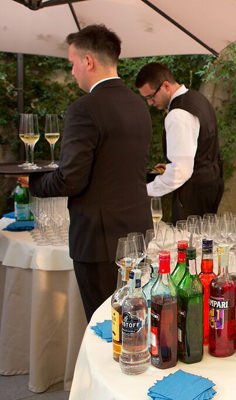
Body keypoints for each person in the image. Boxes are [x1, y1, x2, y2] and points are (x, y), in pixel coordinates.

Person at [26, 25, 153, 321]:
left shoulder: (84, 109)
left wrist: (34, 182)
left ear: (88, 61)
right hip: (138, 232)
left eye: (72, 63)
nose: (72, 72)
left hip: (99, 240)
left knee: (105, 324)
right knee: (134, 319)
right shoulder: (138, 105)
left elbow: (71, 179)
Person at [135, 63, 223, 221]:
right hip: (210, 186)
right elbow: (200, 150)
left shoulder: (178, 114)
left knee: (187, 237)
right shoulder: (198, 99)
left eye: (151, 96)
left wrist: (145, 190)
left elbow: (180, 172)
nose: (150, 103)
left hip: (193, 194)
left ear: (166, 86)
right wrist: (170, 167)